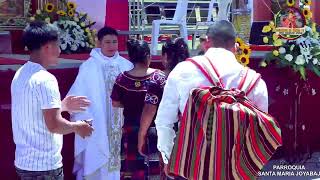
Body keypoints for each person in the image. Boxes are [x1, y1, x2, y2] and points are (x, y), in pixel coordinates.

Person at [155, 20, 269, 177]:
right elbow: (260, 132)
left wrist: (169, 158)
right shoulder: (255, 82)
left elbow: (164, 122)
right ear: (236, 47)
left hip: (192, 166)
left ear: (206, 42)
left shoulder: (182, 71)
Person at [11, 21, 94, 180]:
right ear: (47, 47)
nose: (60, 50)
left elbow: (31, 112)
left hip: (24, 163)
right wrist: (79, 127)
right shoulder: (46, 79)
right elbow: (55, 125)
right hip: (44, 167)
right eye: (57, 45)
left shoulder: (20, 73)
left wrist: (61, 106)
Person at [67, 26, 133, 180]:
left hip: (119, 125)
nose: (111, 46)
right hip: (98, 122)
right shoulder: (89, 66)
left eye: (114, 42)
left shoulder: (126, 65)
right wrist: (84, 117)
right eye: (107, 42)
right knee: (96, 157)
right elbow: (78, 95)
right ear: (99, 43)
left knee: (115, 161)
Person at [111, 39, 166, 179]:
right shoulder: (159, 77)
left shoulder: (122, 79)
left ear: (131, 58)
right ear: (148, 56)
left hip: (130, 130)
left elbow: (115, 103)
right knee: (155, 170)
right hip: (154, 130)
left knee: (132, 171)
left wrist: (130, 104)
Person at [137, 37, 189, 180]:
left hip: (165, 135)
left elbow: (149, 109)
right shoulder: (193, 77)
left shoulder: (158, 79)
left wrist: (141, 135)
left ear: (166, 57)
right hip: (192, 136)